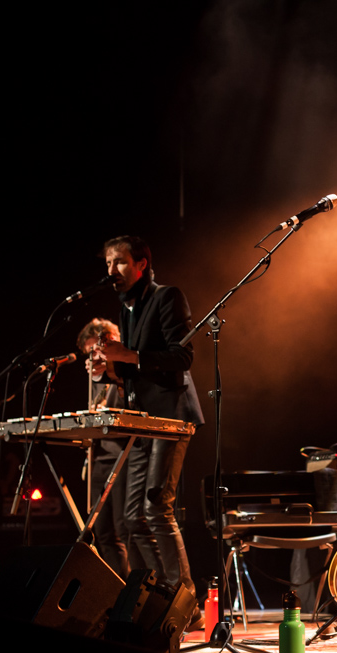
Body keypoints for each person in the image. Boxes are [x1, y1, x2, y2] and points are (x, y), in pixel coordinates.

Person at [86, 235, 205, 626]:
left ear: (141, 264)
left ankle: (184, 601)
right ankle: (157, 599)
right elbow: (138, 373)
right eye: (108, 264)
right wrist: (111, 371)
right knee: (132, 518)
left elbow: (182, 356)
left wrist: (129, 356)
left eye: (119, 262)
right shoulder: (127, 308)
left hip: (171, 417)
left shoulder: (166, 296)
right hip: (142, 419)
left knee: (157, 506)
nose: (111, 271)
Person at [76, 317, 144, 580]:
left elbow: (130, 408)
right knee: (100, 530)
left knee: (122, 526)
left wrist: (112, 370)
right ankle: (116, 589)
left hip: (122, 455)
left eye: (97, 349)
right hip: (98, 457)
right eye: (90, 352)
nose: (94, 356)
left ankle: (131, 590)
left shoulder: (123, 369)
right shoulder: (96, 379)